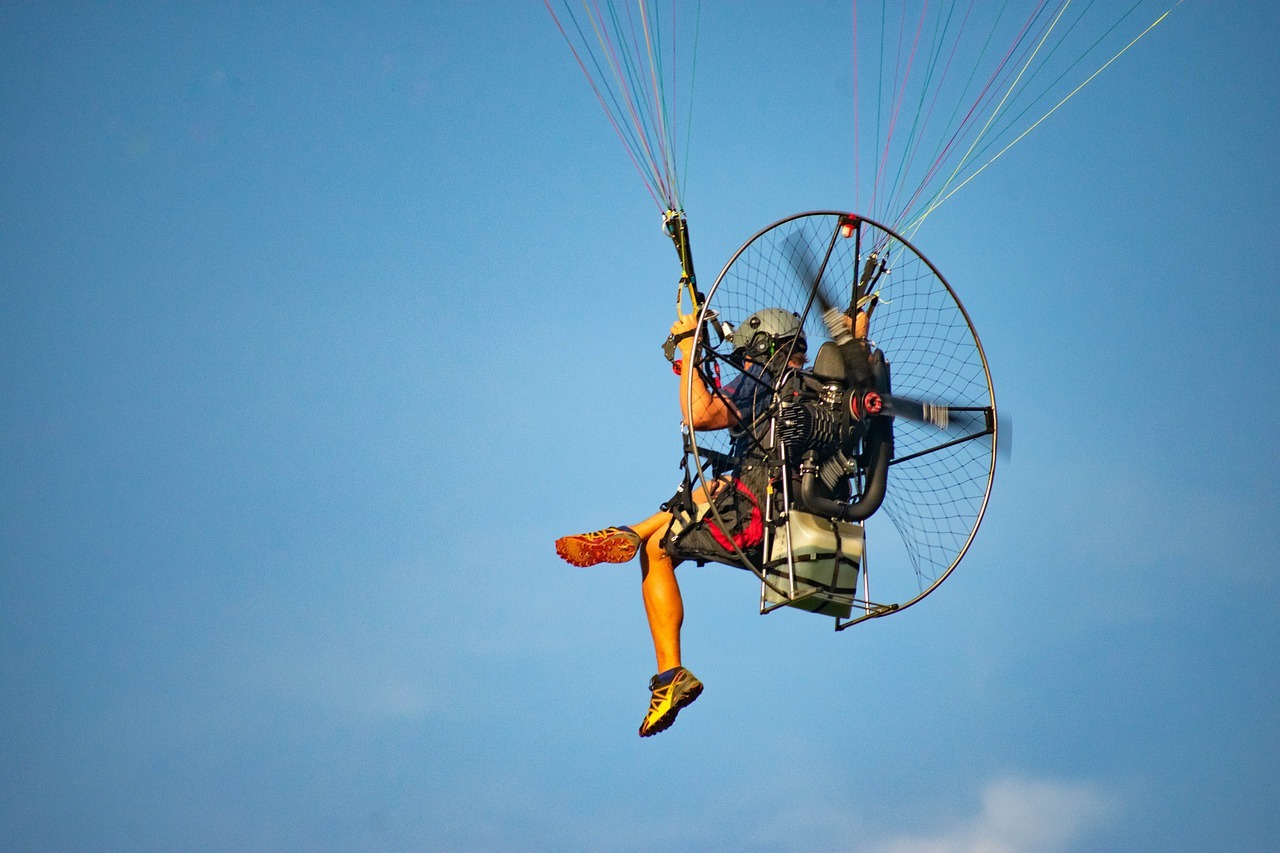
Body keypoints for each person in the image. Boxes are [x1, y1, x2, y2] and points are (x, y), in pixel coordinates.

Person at [555, 306, 810, 737]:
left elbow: (701, 414)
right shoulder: (819, 390)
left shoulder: (770, 377)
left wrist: (691, 340)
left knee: (664, 547)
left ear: (763, 347)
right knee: (697, 505)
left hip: (757, 518)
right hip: (784, 513)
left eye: (745, 356)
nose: (743, 365)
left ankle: (668, 668)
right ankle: (633, 535)